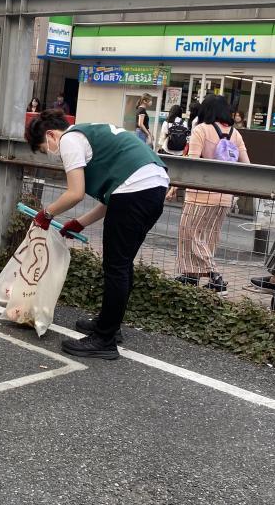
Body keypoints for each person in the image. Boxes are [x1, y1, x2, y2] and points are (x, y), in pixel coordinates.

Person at [26, 110, 169, 360]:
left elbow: (75, 193)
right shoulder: (89, 133)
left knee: (116, 266)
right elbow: (115, 195)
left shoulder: (69, 139)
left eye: (43, 147)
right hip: (152, 186)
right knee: (121, 264)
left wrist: (46, 213)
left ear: (50, 134)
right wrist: (79, 223)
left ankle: (104, 339)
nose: (50, 154)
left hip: (136, 191)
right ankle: (109, 326)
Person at [168, 95, 250, 295]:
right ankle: (191, 276)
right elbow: (247, 165)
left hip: (199, 194)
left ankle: (215, 276)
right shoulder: (235, 134)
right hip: (224, 196)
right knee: (209, 237)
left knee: (189, 233)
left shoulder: (201, 130)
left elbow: (192, 164)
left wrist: (174, 187)